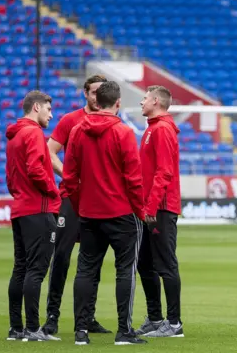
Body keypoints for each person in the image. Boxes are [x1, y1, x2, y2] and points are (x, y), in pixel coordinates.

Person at [63, 81, 146, 345]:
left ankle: (80, 332)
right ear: (117, 103)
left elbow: (69, 177)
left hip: (89, 213)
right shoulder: (123, 132)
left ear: (95, 101)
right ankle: (124, 331)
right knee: (125, 271)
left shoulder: (77, 131)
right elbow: (134, 178)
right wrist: (140, 210)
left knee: (86, 270)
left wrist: (79, 205)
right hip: (121, 212)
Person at [43, 74, 111, 336]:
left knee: (92, 261)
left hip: (98, 201)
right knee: (61, 256)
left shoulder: (111, 122)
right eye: (94, 92)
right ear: (85, 93)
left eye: (102, 92)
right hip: (71, 199)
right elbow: (49, 151)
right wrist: (70, 176)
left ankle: (87, 317)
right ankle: (52, 317)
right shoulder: (71, 120)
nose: (97, 96)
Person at [5, 91, 60, 342]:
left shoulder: (14, 137)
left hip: (19, 208)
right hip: (38, 209)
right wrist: (52, 190)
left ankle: (16, 328)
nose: (51, 114)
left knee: (20, 269)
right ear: (36, 107)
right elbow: (37, 170)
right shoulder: (34, 133)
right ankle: (33, 328)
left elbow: (10, 177)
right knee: (36, 271)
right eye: (48, 109)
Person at [133, 86, 185, 338]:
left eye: (144, 98)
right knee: (145, 263)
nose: (141, 102)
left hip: (160, 209)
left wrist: (151, 206)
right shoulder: (154, 128)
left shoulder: (161, 130)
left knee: (166, 264)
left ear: (155, 101)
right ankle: (155, 317)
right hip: (152, 208)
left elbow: (163, 172)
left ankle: (174, 324)